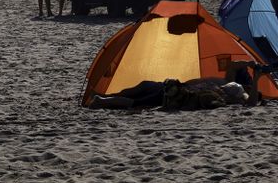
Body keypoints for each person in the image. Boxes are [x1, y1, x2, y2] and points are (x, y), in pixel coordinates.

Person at [89, 61, 266, 109]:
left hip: (180, 91)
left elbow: (250, 102)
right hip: (179, 87)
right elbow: (233, 66)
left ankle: (104, 100)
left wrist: (255, 76)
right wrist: (250, 64)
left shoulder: (234, 91)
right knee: (142, 90)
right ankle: (105, 98)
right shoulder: (230, 84)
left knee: (140, 97)